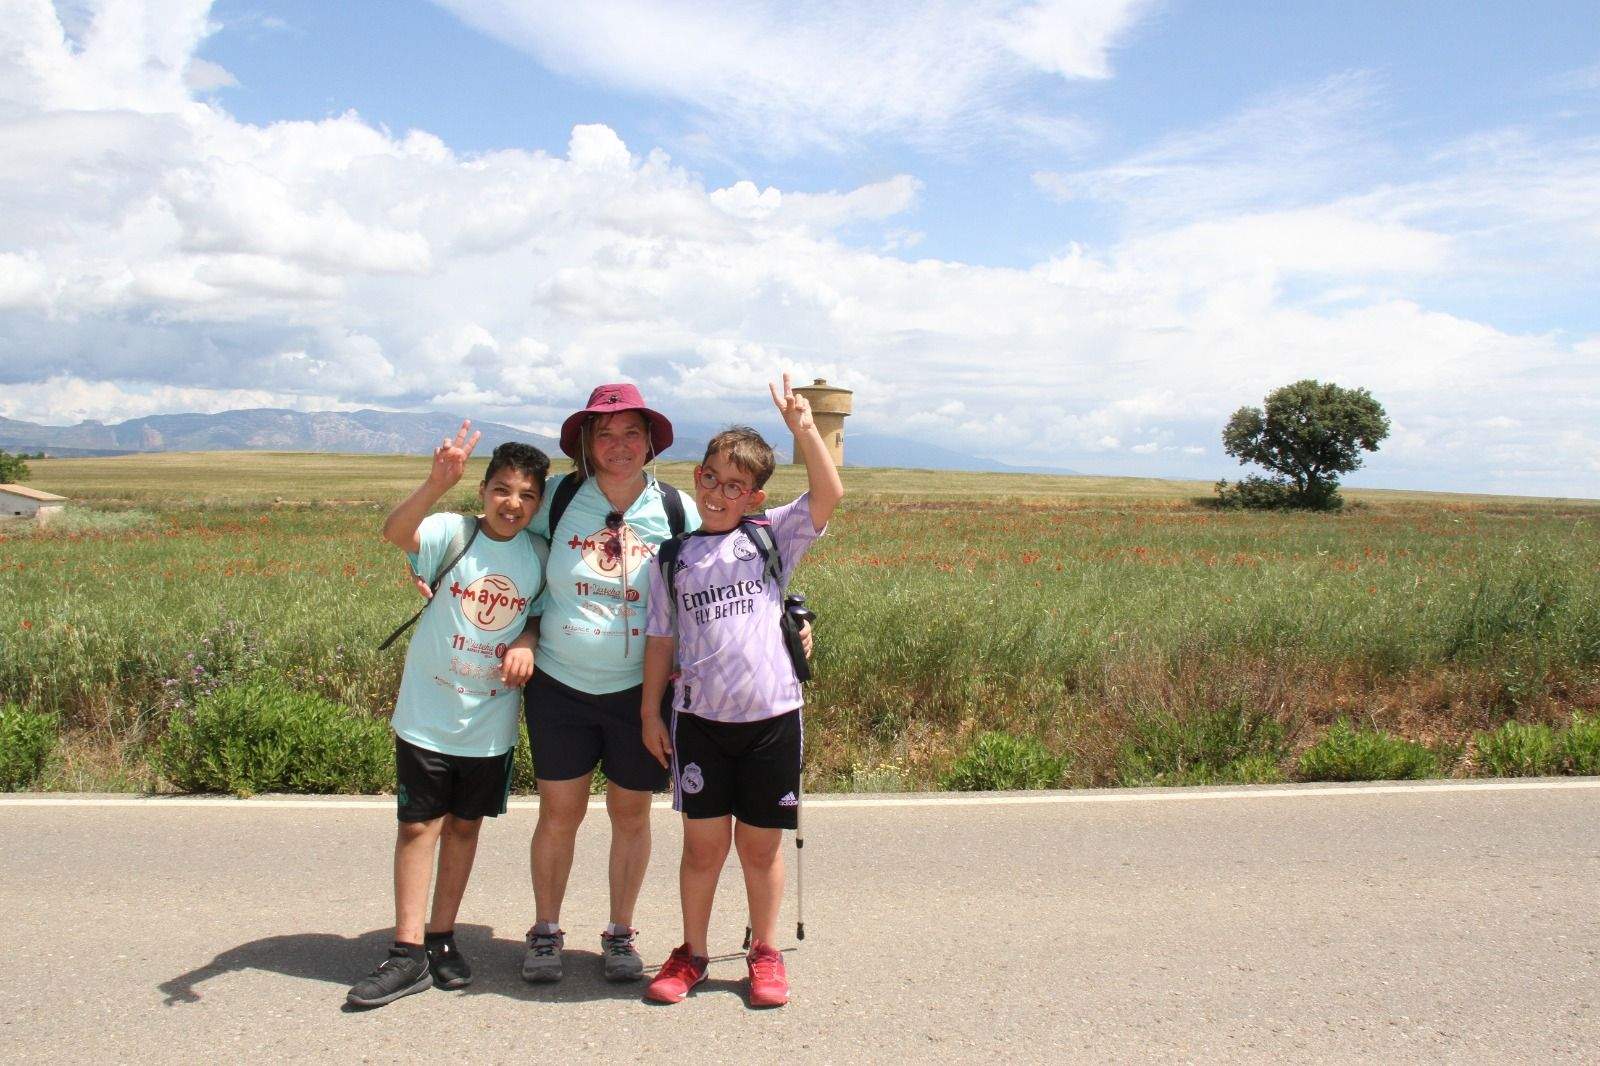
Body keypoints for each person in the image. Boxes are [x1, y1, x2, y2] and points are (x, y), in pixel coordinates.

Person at [640, 373, 844, 1008]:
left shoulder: (768, 536)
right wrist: (650, 712)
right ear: (696, 478)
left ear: (754, 496)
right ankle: (692, 953)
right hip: (699, 722)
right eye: (710, 480)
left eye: (735, 486)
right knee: (702, 850)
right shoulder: (671, 559)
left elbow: (828, 492)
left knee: (760, 848)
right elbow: (661, 643)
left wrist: (804, 428)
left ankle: (765, 952)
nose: (719, 494)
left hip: (772, 718)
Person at [347, 424, 549, 1008]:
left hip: (489, 721)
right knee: (417, 826)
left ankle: (441, 938)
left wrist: (527, 642)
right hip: (428, 712)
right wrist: (436, 483)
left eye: (527, 495)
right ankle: (406, 951)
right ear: (483, 490)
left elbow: (536, 613)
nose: (512, 503)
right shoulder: (449, 532)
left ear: (536, 504)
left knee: (465, 827)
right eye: (502, 489)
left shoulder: (536, 555)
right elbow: (395, 532)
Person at [518, 383, 700, 983]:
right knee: (559, 813)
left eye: (630, 433)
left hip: (640, 694)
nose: (618, 445)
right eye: (605, 434)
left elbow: (725, 566)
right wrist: (435, 569)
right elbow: (504, 540)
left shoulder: (676, 510)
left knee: (631, 813)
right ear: (587, 445)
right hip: (559, 685)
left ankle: (620, 935)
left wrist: (788, 624)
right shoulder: (561, 497)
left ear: (649, 443)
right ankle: (546, 931)